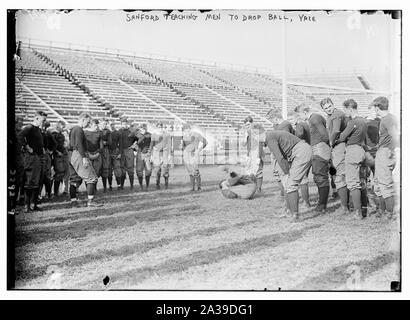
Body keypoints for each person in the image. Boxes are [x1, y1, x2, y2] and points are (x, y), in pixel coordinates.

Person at [264, 129, 313, 221]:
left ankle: (295, 215)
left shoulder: (269, 137)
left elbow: (279, 157)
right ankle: (289, 211)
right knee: (288, 183)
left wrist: (287, 172)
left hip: (301, 152)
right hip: (299, 151)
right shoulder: (271, 135)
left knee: (291, 184)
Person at [294, 104, 330, 214]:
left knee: (320, 177)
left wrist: (322, 147)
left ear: (304, 112)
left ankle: (322, 205)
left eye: (299, 114)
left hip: (320, 148)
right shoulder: (313, 118)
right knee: (319, 176)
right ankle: (321, 203)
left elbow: (325, 135)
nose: (299, 117)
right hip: (318, 148)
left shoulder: (314, 118)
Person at [337, 99, 368, 219]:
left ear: (350, 109)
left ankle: (358, 213)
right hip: (361, 150)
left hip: (352, 151)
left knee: (352, 183)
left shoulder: (353, 121)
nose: (345, 113)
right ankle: (363, 207)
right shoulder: (364, 121)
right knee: (361, 180)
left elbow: (342, 136)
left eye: (345, 110)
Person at [320, 97, 350, 215]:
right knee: (337, 174)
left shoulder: (336, 114)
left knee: (339, 176)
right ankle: (346, 204)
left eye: (329, 106)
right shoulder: (330, 116)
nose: (328, 109)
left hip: (339, 146)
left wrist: (331, 143)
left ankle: (345, 207)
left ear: (333, 104)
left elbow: (336, 131)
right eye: (325, 108)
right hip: (337, 147)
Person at [371, 96, 399, 219]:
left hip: (385, 153)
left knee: (385, 183)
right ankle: (382, 210)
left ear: (377, 108)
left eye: (374, 108)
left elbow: (395, 136)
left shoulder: (387, 119)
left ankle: (389, 212)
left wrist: (390, 150)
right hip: (382, 151)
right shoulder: (389, 118)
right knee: (378, 182)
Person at [67, 113, 100, 207]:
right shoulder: (79, 129)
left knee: (74, 179)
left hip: (72, 155)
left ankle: (73, 202)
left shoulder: (73, 129)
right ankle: (91, 201)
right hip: (78, 154)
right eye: (88, 122)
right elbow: (79, 145)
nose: (88, 124)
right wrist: (84, 157)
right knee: (91, 178)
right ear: (83, 119)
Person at [17, 110, 47, 212]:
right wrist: (27, 147)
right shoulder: (29, 127)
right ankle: (27, 205)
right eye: (43, 120)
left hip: (39, 157)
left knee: (37, 182)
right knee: (30, 182)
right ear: (37, 118)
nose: (44, 122)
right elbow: (20, 136)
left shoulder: (38, 129)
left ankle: (33, 205)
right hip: (32, 158)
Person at [265, 110, 294, 197]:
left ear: (276, 118)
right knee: (276, 173)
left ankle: (288, 194)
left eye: (272, 120)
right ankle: (283, 192)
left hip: (282, 154)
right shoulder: (276, 125)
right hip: (276, 152)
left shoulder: (286, 125)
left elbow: (285, 142)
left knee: (284, 173)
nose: (272, 122)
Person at [182, 124, 208, 191]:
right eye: (185, 130)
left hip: (194, 154)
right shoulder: (184, 136)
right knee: (190, 171)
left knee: (195, 171)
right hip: (186, 154)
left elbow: (205, 142)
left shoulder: (196, 134)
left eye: (188, 129)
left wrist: (199, 150)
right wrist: (183, 148)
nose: (186, 131)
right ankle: (192, 188)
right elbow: (184, 145)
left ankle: (199, 187)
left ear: (190, 129)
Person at [242, 116, 265, 193]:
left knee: (258, 171)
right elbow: (243, 144)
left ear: (252, 123)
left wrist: (259, 156)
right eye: (246, 125)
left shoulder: (257, 131)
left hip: (257, 152)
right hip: (250, 153)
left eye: (248, 124)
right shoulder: (246, 132)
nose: (247, 126)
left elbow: (261, 144)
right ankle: (253, 187)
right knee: (249, 171)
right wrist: (245, 136)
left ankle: (259, 188)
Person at [294, 116, 312, 208]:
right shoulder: (307, 124)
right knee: (304, 176)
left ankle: (306, 202)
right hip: (309, 149)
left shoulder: (300, 125)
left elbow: (300, 134)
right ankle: (305, 200)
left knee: (303, 177)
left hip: (303, 150)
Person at [50, 120, 68, 197]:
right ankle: (55, 192)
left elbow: (62, 145)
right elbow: (52, 146)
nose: (63, 128)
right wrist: (57, 152)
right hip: (57, 156)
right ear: (58, 125)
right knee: (58, 174)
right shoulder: (54, 134)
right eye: (62, 126)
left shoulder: (62, 135)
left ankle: (56, 192)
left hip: (62, 155)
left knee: (61, 173)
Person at [119, 117, 138, 190]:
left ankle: (131, 185)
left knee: (130, 168)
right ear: (121, 124)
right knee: (122, 168)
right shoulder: (119, 131)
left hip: (129, 151)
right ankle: (122, 186)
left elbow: (137, 139)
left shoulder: (131, 131)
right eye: (123, 123)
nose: (124, 124)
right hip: (122, 151)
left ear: (127, 123)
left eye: (126, 123)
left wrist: (134, 145)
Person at [151, 122, 172, 190]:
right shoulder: (153, 135)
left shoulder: (167, 135)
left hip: (164, 152)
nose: (160, 129)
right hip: (156, 152)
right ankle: (157, 184)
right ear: (157, 128)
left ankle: (166, 184)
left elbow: (169, 145)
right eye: (159, 127)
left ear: (163, 127)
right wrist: (151, 155)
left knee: (165, 169)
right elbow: (151, 145)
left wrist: (169, 154)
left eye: (161, 127)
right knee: (157, 169)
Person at [84, 119, 103, 183]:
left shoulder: (99, 133)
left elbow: (101, 146)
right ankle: (89, 189)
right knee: (88, 172)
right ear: (91, 125)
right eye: (95, 125)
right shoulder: (85, 133)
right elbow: (83, 145)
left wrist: (98, 153)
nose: (97, 127)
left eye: (97, 125)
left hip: (96, 154)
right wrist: (88, 154)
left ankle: (94, 187)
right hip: (88, 154)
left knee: (96, 171)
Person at [135, 123, 153, 191]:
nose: (143, 129)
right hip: (139, 154)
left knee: (148, 170)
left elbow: (151, 144)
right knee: (139, 170)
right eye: (142, 128)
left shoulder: (149, 135)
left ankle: (147, 186)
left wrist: (150, 152)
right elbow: (135, 142)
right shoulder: (138, 134)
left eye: (144, 128)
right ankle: (141, 185)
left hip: (147, 154)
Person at [100, 118, 113, 192]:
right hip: (99, 151)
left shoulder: (108, 132)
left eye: (105, 124)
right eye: (103, 123)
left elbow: (110, 142)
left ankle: (110, 186)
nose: (104, 125)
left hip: (106, 151)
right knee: (100, 168)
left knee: (107, 168)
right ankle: (104, 187)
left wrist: (103, 143)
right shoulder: (98, 131)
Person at [109, 121, 122, 190]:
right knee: (108, 169)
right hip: (108, 152)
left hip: (115, 151)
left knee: (117, 169)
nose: (112, 126)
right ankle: (110, 185)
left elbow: (121, 144)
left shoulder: (118, 133)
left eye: (113, 124)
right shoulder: (107, 132)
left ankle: (119, 185)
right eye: (111, 125)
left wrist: (119, 153)